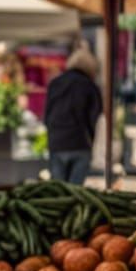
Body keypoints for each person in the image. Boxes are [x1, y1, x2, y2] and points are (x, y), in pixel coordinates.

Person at [44, 48, 103, 186]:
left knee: (58, 192)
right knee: (74, 193)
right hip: (80, 143)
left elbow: (47, 115)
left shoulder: (55, 83)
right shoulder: (90, 86)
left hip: (56, 143)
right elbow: (95, 116)